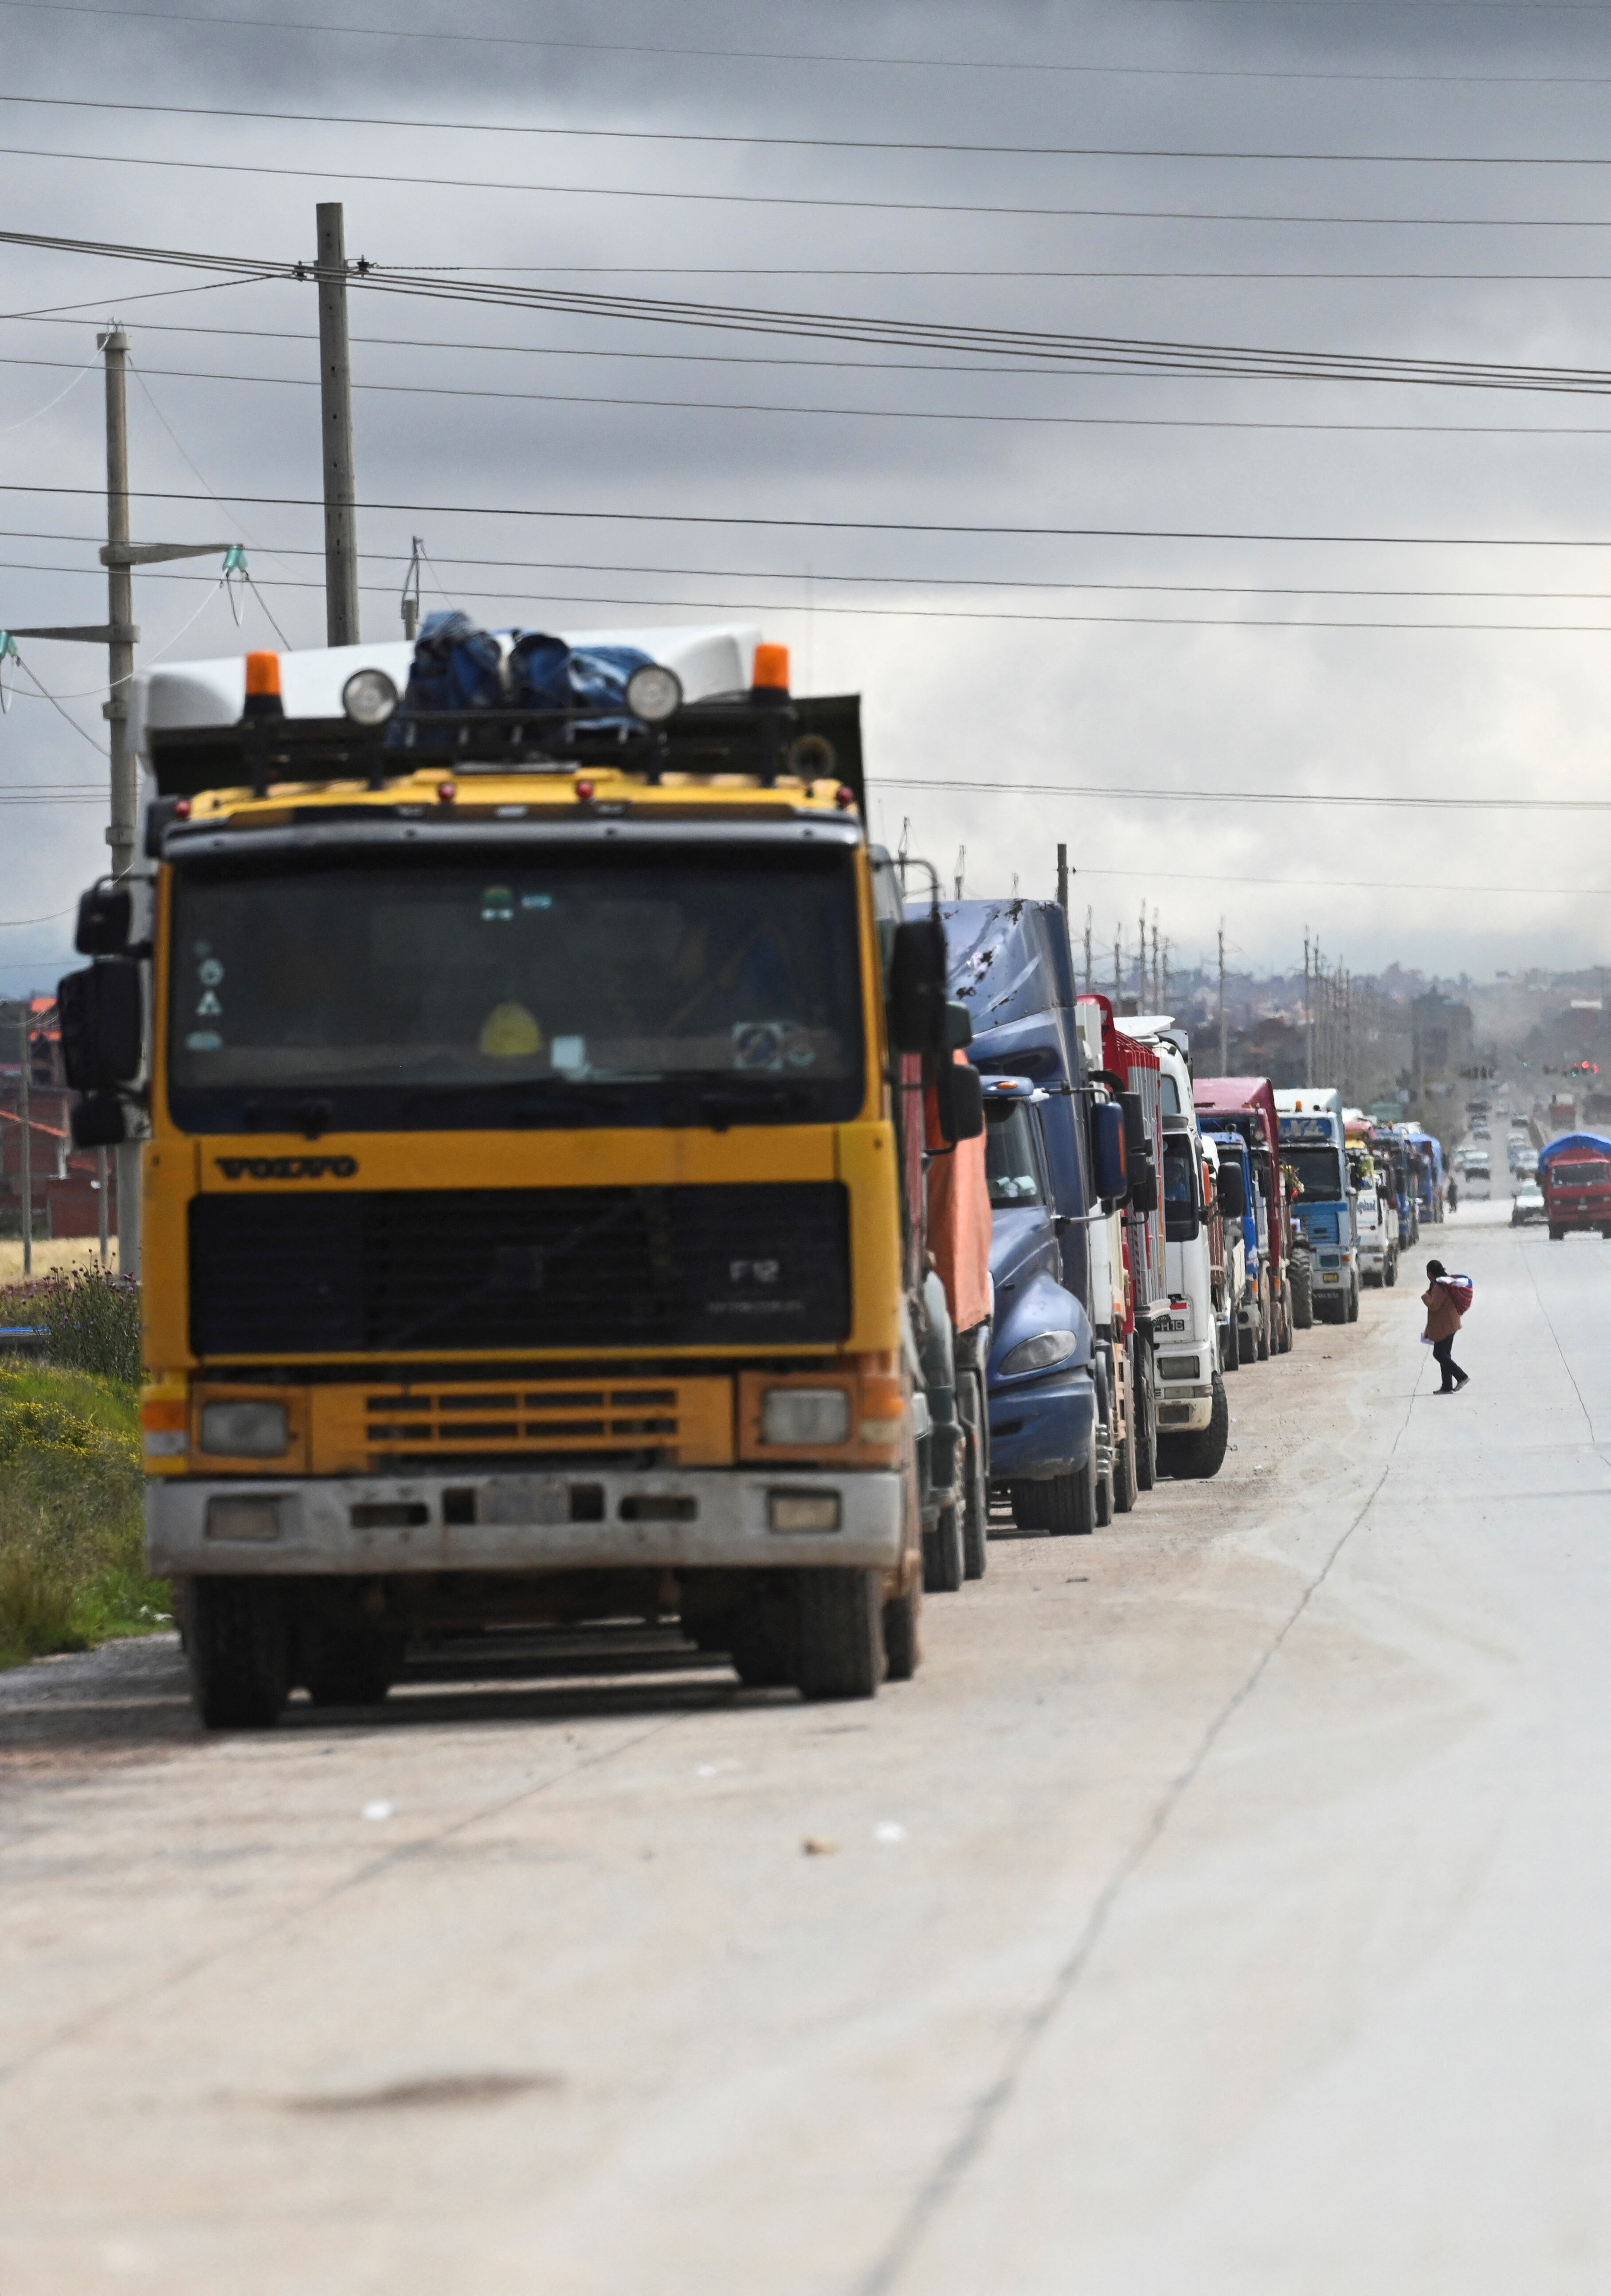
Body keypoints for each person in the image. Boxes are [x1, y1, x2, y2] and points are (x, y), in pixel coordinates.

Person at [1421, 1258, 1469, 1393]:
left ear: (1430, 1274)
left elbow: (1434, 1305)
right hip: (1450, 1323)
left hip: (1446, 1326)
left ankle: (1462, 1376)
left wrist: (1425, 1296)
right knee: (1445, 1354)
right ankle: (1447, 1386)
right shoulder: (1445, 1283)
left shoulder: (1439, 1287)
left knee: (1439, 1354)